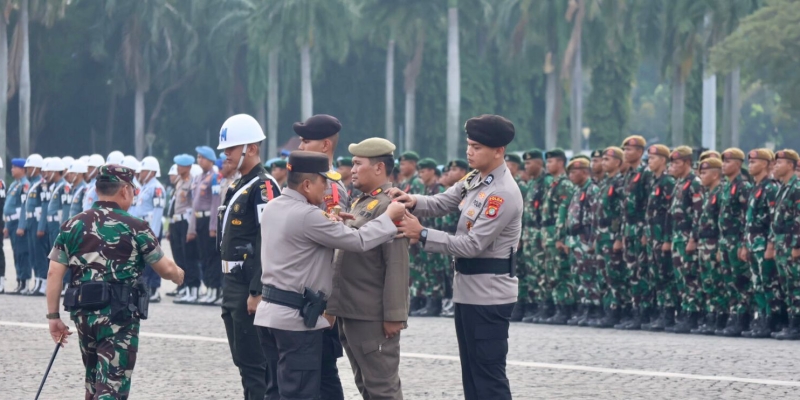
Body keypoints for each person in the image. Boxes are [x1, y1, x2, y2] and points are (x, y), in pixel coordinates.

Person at [257, 150, 404, 400]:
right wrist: (388, 219)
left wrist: (331, 221)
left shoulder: (274, 207)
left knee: (276, 391)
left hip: (270, 316)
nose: (327, 188)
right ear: (306, 184)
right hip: (296, 323)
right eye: (323, 182)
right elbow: (358, 240)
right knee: (299, 394)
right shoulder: (308, 215)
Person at [393, 114, 522, 400]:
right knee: (473, 375)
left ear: (499, 150)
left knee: (488, 376)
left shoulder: (502, 193)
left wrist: (422, 234)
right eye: (468, 145)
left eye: (477, 146)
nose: (469, 151)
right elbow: (444, 201)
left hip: (489, 295)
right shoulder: (476, 178)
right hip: (468, 291)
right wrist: (411, 200)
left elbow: (472, 244)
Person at [45, 164, 184, 400]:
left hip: (83, 316)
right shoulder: (135, 226)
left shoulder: (72, 225)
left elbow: (53, 273)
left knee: (93, 382)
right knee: (112, 388)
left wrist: (53, 317)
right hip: (117, 318)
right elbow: (165, 268)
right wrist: (180, 276)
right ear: (125, 190)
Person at [328, 139, 409, 399]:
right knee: (366, 384)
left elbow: (396, 262)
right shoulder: (362, 202)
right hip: (352, 310)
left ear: (378, 168)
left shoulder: (389, 205)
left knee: (382, 388)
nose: (351, 170)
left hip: (372, 315)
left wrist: (395, 314)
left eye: (357, 164)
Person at [217, 114, 282, 399]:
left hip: (249, 286)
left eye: (230, 150)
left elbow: (268, 240)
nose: (225, 156)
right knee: (244, 361)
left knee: (256, 365)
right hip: (232, 283)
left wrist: (257, 290)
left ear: (251, 149)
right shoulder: (239, 185)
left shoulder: (263, 186)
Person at [293, 114, 348, 399]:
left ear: (325, 145)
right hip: (305, 290)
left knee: (323, 373)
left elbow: (337, 249)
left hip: (320, 296)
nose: (300, 145)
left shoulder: (330, 189)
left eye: (306, 141)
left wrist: (331, 304)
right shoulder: (310, 183)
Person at [741, 149, 782, 338]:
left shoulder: (771, 188)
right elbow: (748, 220)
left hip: (764, 242)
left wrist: (771, 245)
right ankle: (763, 317)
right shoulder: (754, 187)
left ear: (766, 164)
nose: (750, 165)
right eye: (749, 162)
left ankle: (774, 319)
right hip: (753, 242)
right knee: (757, 283)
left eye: (755, 161)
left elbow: (775, 220)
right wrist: (744, 244)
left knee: (769, 283)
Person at [666, 146, 704, 334]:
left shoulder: (694, 183)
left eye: (677, 162)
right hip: (677, 237)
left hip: (687, 237)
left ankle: (693, 314)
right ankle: (684, 312)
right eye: (671, 162)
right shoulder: (680, 183)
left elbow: (698, 214)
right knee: (680, 278)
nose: (673, 166)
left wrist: (693, 239)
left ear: (688, 163)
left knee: (690, 277)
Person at [640, 145, 678, 332]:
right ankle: (661, 311)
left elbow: (669, 214)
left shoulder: (668, 182)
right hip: (652, 236)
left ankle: (669, 313)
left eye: (653, 158)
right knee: (655, 275)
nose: (649, 161)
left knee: (665, 276)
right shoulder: (654, 181)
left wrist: (667, 239)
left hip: (662, 236)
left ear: (663, 160)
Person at [619, 136, 653, 330]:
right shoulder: (629, 174)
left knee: (642, 271)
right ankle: (636, 310)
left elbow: (650, 205)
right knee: (632, 271)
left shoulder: (646, 173)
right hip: (629, 229)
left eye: (630, 150)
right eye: (624, 150)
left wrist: (645, 231)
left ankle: (644, 312)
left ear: (640, 152)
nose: (626, 153)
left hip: (641, 229)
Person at [589, 147, 626, 328]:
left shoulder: (620, 183)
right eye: (602, 160)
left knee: (613, 275)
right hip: (601, 235)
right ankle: (606, 310)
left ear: (618, 162)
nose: (604, 163)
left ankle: (615, 311)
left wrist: (619, 237)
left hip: (612, 237)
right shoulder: (604, 183)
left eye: (607, 160)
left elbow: (621, 213)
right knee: (603, 274)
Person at [540, 149, 576, 324]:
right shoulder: (553, 184)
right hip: (548, 233)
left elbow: (565, 212)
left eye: (551, 162)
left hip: (557, 232)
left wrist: (561, 236)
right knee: (551, 272)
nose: (548, 165)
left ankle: (565, 308)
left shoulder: (565, 185)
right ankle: (557, 307)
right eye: (547, 162)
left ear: (561, 163)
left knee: (561, 272)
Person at [564, 157, 600, 326]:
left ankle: (593, 310)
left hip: (586, 239)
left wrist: (593, 241)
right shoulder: (578, 190)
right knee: (578, 275)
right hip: (576, 239)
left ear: (585, 172)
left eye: (574, 172)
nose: (570, 175)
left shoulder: (592, 190)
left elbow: (594, 218)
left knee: (588, 275)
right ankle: (584, 308)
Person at [410, 157, 447, 317]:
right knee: (427, 269)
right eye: (419, 172)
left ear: (432, 171)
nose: (421, 175)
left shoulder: (439, 189)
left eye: (423, 171)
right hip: (423, 232)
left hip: (435, 232)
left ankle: (435, 302)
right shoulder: (426, 190)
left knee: (435, 269)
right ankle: (427, 301)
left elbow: (443, 215)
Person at [769, 149, 800, 340]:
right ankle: (791, 322)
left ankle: (796, 325)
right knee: (787, 285)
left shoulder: (797, 188)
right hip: (782, 243)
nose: (775, 166)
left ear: (790, 165)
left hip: (791, 243)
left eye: (779, 163)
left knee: (796, 284)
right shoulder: (783, 187)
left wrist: (797, 246)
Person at [691, 158, 724, 335]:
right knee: (707, 282)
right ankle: (711, 317)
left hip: (715, 243)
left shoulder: (720, 193)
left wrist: (719, 247)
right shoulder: (707, 193)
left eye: (704, 173)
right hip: (704, 244)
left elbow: (723, 223)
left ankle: (720, 317)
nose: (700, 176)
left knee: (716, 281)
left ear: (715, 174)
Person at [520, 150, 553, 324]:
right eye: (525, 164)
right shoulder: (532, 183)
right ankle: (535, 306)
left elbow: (546, 211)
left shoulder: (546, 182)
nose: (526, 166)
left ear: (540, 163)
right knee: (532, 272)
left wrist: (543, 234)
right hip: (529, 233)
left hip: (541, 232)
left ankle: (545, 306)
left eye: (529, 163)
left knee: (543, 272)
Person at [189, 146, 223, 305]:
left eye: (202, 157)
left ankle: (214, 290)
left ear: (210, 160)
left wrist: (213, 226)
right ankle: (208, 287)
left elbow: (215, 203)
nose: (199, 160)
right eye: (198, 157)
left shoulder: (215, 177)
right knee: (203, 257)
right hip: (199, 220)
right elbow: (194, 205)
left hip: (209, 219)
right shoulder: (199, 178)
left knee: (212, 257)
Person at [137, 157, 167, 303]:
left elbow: (158, 211)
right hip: (143, 227)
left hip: (151, 227)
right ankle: (146, 286)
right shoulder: (145, 187)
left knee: (154, 258)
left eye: (143, 171)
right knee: (145, 260)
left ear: (151, 171)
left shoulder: (157, 188)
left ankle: (154, 288)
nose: (140, 173)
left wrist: (153, 232)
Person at [171, 154, 201, 304]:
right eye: (177, 165)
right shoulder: (179, 180)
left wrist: (192, 228)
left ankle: (194, 289)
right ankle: (186, 289)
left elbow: (194, 204)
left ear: (188, 167)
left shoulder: (192, 182)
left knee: (190, 257)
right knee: (181, 257)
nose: (178, 168)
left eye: (181, 166)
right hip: (177, 222)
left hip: (187, 222)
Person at [19, 154, 47, 295]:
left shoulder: (41, 185)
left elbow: (44, 206)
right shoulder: (32, 185)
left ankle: (42, 282)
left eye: (30, 168)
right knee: (33, 254)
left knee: (39, 254)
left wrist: (41, 227)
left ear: (37, 168)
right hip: (30, 222)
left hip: (37, 222)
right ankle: (37, 282)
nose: (28, 170)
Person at [4, 158, 30, 294]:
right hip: (12, 222)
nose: (12, 169)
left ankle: (25, 281)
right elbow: (10, 207)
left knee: (22, 253)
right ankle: (19, 280)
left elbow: (24, 207)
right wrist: (7, 225)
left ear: (22, 169)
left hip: (19, 224)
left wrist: (22, 225)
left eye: (15, 167)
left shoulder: (25, 185)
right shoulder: (14, 184)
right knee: (15, 253)